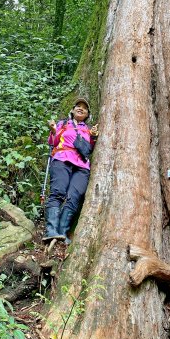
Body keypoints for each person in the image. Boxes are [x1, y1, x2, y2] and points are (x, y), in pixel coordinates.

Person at [43, 98, 98, 244]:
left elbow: (89, 149)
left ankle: (62, 232)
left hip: (82, 166)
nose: (81, 108)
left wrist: (92, 137)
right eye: (78, 106)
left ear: (87, 115)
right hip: (62, 159)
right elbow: (53, 142)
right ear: (72, 110)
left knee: (75, 197)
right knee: (58, 192)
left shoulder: (88, 129)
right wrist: (54, 131)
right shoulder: (63, 124)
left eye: (84, 108)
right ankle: (51, 230)